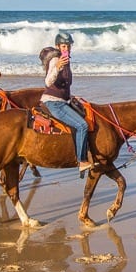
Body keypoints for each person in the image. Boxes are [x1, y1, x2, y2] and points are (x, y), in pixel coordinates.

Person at [40, 33, 93, 173]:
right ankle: (81, 161)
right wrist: (57, 67)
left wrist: (71, 97)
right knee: (82, 125)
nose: (67, 48)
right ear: (58, 46)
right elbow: (48, 82)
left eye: (69, 46)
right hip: (54, 102)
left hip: (64, 100)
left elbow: (64, 85)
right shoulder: (56, 60)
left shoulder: (66, 60)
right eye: (64, 46)